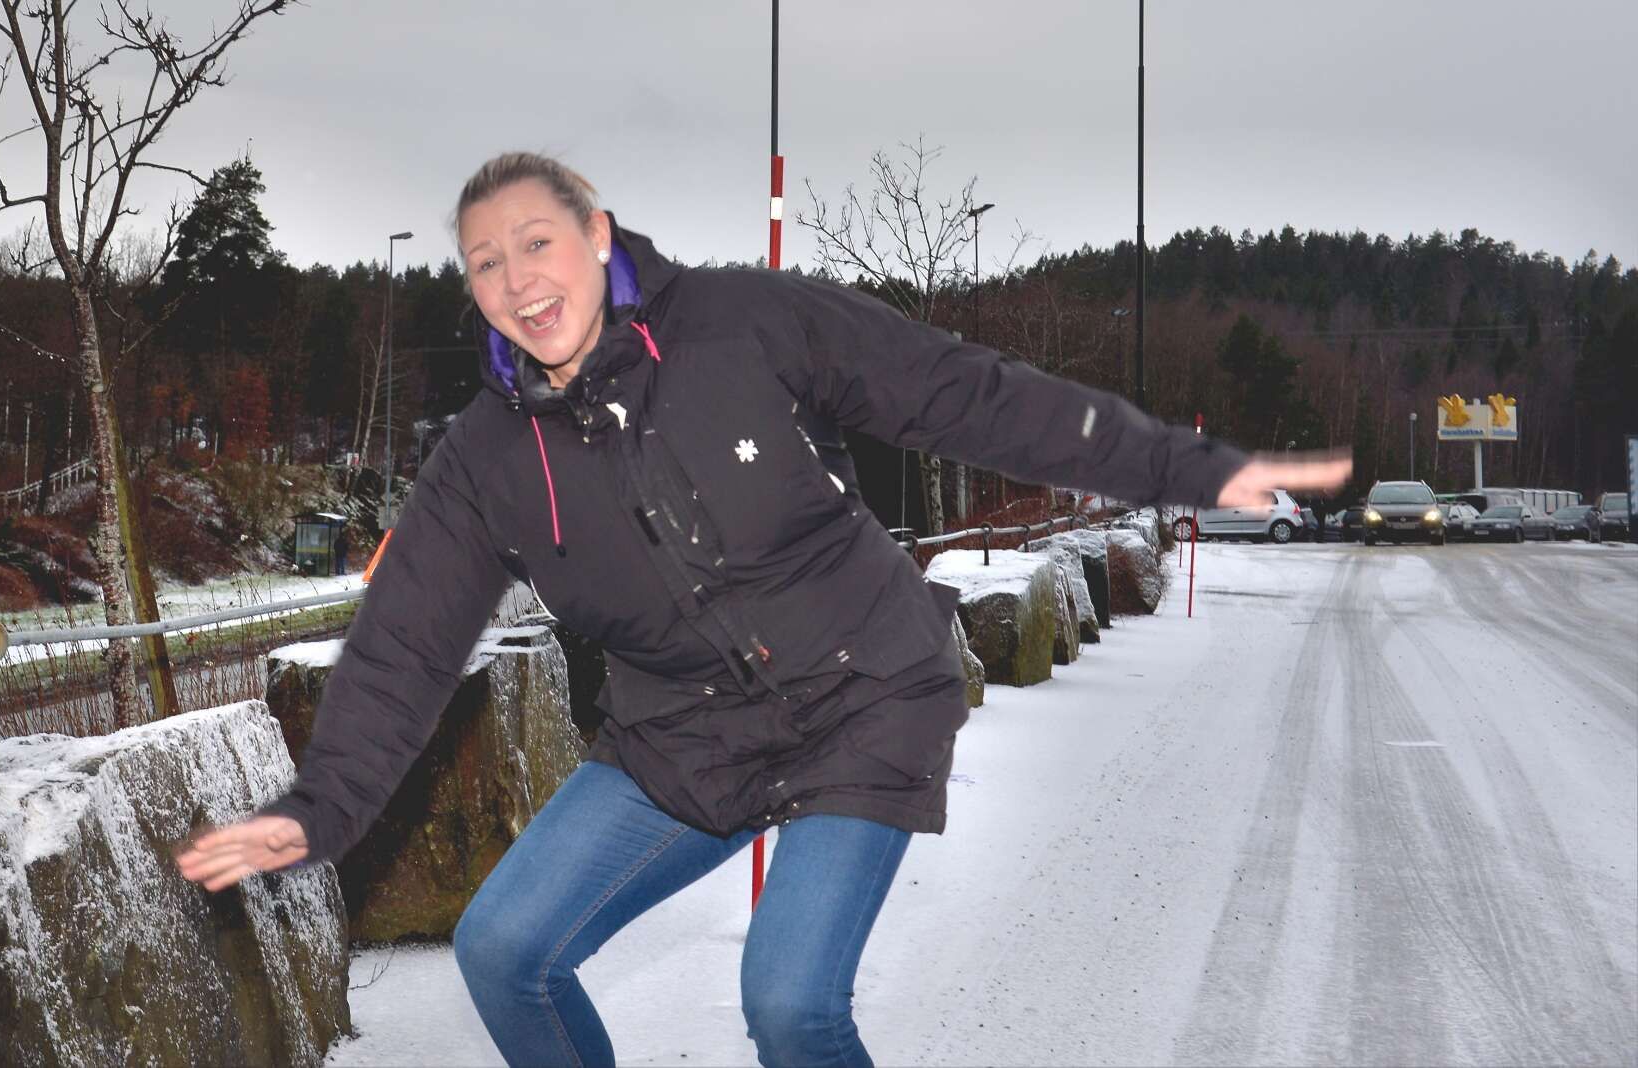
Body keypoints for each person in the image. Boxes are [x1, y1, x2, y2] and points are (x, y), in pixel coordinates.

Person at [177, 151, 1351, 1066]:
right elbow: (401, 647)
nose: (516, 281)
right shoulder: (485, 459)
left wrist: (1179, 467)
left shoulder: (742, 322)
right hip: (681, 738)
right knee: (502, 949)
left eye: (536, 242)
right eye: (485, 264)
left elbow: (965, 394)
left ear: (596, 236)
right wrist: (317, 810)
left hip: (862, 698)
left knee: (788, 1004)